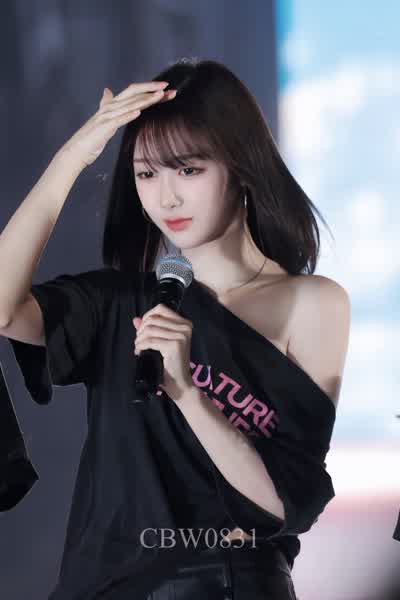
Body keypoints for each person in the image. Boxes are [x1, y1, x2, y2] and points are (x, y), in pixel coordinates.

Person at [0, 58, 351, 599]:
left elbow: (284, 503)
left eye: (188, 170)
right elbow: (4, 309)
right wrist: (74, 156)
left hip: (229, 584)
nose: (166, 198)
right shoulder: (119, 304)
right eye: (146, 174)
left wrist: (187, 392)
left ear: (241, 166)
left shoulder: (312, 303)